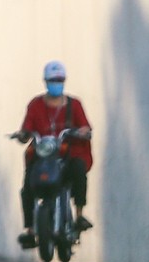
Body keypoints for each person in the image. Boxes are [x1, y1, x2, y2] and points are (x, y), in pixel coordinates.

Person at [12, 60, 93, 249]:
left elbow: (85, 127)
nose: (56, 83)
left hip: (68, 154)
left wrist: (82, 131)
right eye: (52, 80)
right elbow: (27, 130)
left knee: (79, 169)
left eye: (59, 80)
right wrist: (23, 135)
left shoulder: (75, 105)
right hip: (43, 157)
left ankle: (79, 215)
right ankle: (31, 229)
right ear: (45, 81)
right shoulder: (35, 105)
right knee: (28, 185)